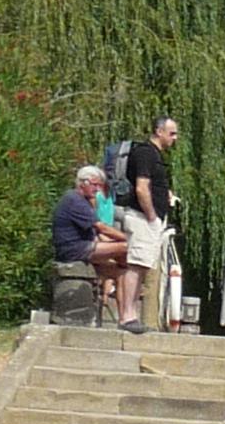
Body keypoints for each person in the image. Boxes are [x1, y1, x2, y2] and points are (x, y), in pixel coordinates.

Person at [115, 115, 180, 332]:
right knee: (136, 264)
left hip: (150, 219)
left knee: (142, 266)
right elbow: (142, 187)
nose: (175, 138)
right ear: (158, 132)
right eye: (171, 133)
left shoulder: (156, 156)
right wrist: (151, 215)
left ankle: (131, 316)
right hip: (143, 218)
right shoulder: (145, 153)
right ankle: (127, 316)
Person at [47, 163, 110, 324]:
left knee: (122, 268)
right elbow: (100, 227)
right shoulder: (74, 200)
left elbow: (96, 232)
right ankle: (120, 310)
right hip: (74, 250)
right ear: (84, 183)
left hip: (82, 246)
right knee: (124, 249)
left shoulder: (85, 201)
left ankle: (125, 316)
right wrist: (124, 239)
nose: (97, 190)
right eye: (95, 185)